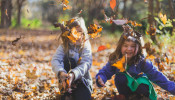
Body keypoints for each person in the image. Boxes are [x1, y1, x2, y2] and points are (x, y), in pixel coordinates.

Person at [96, 25, 175, 100]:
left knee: (142, 83)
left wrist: (173, 89)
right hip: (126, 92)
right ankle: (127, 97)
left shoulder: (142, 62)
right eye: (125, 45)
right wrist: (101, 78)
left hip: (142, 91)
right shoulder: (116, 60)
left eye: (133, 46)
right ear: (120, 46)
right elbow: (105, 72)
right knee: (120, 78)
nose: (129, 49)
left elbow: (158, 77)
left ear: (139, 48)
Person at [51, 17, 92, 100]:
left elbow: (86, 63)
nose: (78, 36)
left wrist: (73, 74)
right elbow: (55, 60)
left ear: (84, 32)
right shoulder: (63, 46)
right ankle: (66, 93)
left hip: (82, 82)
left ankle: (78, 93)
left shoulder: (85, 46)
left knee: (84, 97)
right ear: (68, 34)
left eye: (80, 32)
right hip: (65, 83)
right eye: (74, 32)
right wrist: (61, 72)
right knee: (69, 61)